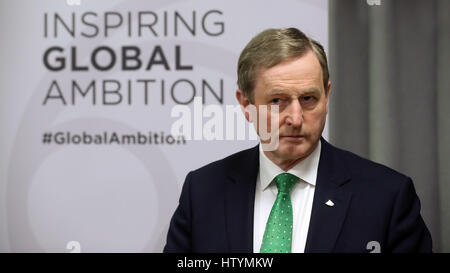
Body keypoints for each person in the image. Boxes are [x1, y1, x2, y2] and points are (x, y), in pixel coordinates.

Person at [163, 28, 432, 253]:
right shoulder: (202, 192)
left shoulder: (387, 196)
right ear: (246, 104)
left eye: (308, 99)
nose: (295, 118)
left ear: (327, 96)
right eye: (277, 101)